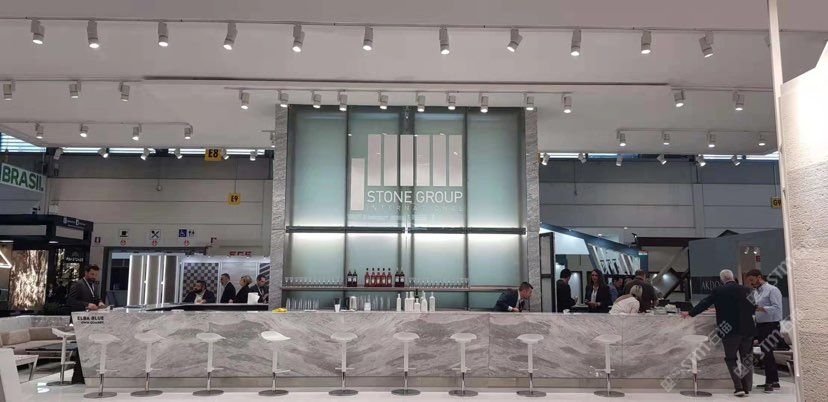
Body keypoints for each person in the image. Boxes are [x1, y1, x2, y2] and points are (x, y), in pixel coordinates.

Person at [683, 269, 756, 397]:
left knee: (731, 359)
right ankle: (746, 387)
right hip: (747, 329)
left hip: (729, 330)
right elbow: (752, 308)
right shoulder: (747, 290)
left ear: (722, 279)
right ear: (733, 277)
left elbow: (705, 303)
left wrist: (690, 313)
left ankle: (738, 387)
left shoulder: (719, 290)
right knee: (746, 359)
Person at [66, 265, 108, 384]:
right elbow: (71, 301)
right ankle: (77, 377)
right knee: (82, 348)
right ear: (86, 273)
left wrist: (99, 302)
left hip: (90, 321)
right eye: (92, 274)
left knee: (88, 348)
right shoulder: (78, 285)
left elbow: (95, 299)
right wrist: (87, 305)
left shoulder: (93, 285)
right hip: (81, 320)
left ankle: (85, 375)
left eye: (96, 275)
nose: (94, 277)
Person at [745, 269, 783, 393]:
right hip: (761, 326)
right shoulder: (756, 293)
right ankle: (774, 381)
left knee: (767, 353)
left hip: (771, 325)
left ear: (759, 277)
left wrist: (759, 308)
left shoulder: (772, 290)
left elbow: (777, 309)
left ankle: (770, 382)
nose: (750, 283)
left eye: (752, 280)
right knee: (766, 353)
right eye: (749, 281)